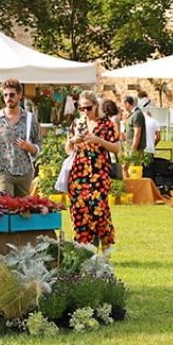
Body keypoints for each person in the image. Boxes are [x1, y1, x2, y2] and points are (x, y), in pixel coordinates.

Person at [65, 90, 121, 249]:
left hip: (99, 175)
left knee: (99, 211)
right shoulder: (77, 124)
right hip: (78, 174)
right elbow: (68, 150)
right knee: (79, 212)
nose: (85, 112)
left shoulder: (107, 124)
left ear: (96, 106)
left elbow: (117, 148)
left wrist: (98, 140)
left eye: (88, 108)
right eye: (81, 108)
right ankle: (82, 248)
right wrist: (72, 140)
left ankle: (105, 246)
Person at [0, 79, 41, 197]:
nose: (8, 98)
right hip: (4, 172)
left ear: (20, 95)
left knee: (24, 211)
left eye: (12, 95)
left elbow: (39, 143)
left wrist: (31, 148)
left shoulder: (30, 119)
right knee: (6, 208)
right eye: (5, 95)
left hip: (25, 171)